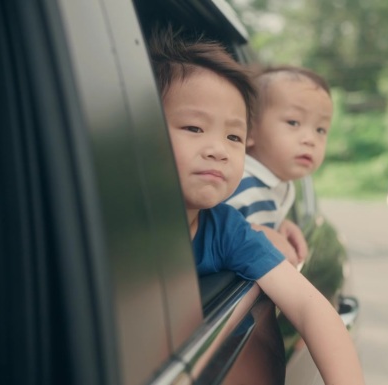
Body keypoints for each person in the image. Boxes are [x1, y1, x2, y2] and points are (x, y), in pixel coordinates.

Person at [148, 27, 365, 385]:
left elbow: (310, 308)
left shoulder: (228, 230)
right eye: (193, 127)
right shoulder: (102, 226)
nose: (218, 148)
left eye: (234, 136)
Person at [225, 65, 333, 267]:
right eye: (293, 122)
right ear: (248, 131)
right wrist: (255, 231)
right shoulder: (237, 182)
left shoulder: (278, 185)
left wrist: (279, 224)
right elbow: (207, 233)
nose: (310, 139)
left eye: (321, 129)